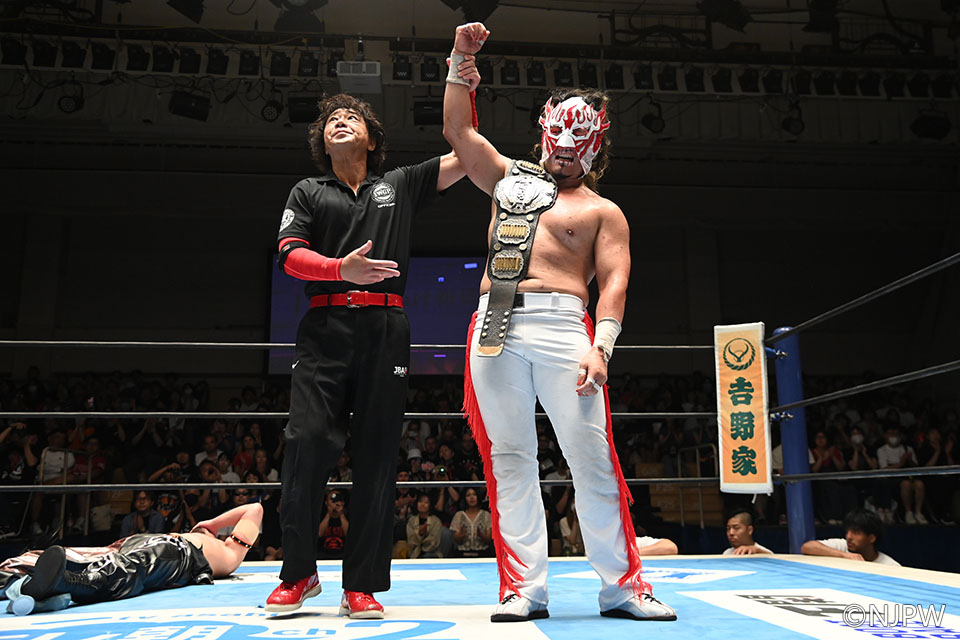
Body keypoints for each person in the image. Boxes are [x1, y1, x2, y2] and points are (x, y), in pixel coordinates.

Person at [444, 22, 675, 623]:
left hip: (564, 327)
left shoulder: (603, 211)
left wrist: (603, 347)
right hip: (494, 322)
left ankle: (623, 586)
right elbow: (459, 133)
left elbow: (615, 283)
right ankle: (525, 589)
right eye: (558, 138)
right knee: (509, 457)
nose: (564, 149)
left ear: (595, 147)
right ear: (543, 134)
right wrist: (460, 61)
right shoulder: (507, 180)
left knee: (590, 455)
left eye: (578, 142)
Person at [266, 93, 465, 617]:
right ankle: (299, 573)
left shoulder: (398, 184)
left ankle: (362, 584)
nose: (339, 121)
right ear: (322, 141)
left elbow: (466, 152)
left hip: (384, 329)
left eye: (351, 117)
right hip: (324, 327)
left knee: (377, 455)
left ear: (372, 139)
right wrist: (340, 270)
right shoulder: (308, 191)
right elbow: (289, 256)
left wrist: (460, 76)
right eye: (331, 119)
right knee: (306, 443)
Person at [2, 503, 263, 616]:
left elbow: (254, 509)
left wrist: (211, 524)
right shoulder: (208, 541)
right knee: (73, 556)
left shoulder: (231, 552)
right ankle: (16, 581)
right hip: (133, 542)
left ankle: (72, 582)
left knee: (130, 570)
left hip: (177, 553)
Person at [801, 508, 900, 566]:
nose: (849, 536)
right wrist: (844, 555)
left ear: (871, 538)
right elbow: (807, 547)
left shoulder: (890, 565)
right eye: (848, 531)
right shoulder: (843, 546)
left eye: (856, 532)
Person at [450, 487, 492, 557]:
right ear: (465, 498)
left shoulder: (486, 515)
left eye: (474, 494)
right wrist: (461, 535)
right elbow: (456, 540)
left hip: (482, 553)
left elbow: (489, 539)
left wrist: (481, 535)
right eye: (468, 495)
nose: (472, 497)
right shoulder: (459, 515)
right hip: (462, 553)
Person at [406, 494, 443, 559]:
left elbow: (434, 543)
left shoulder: (436, 521)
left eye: (426, 502)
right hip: (414, 552)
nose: (422, 504)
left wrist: (425, 535)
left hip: (432, 552)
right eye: (420, 501)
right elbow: (411, 541)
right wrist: (419, 534)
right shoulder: (411, 520)